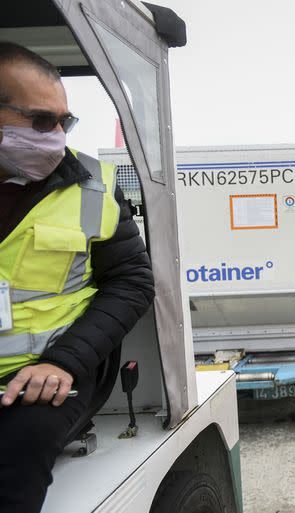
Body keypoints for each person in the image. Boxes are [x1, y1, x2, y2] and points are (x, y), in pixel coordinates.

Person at [0, 42, 154, 513]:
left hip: (49, 374)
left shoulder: (93, 186)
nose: (56, 137)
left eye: (63, 123)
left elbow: (132, 281)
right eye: (41, 122)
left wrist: (64, 362)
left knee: (15, 459)